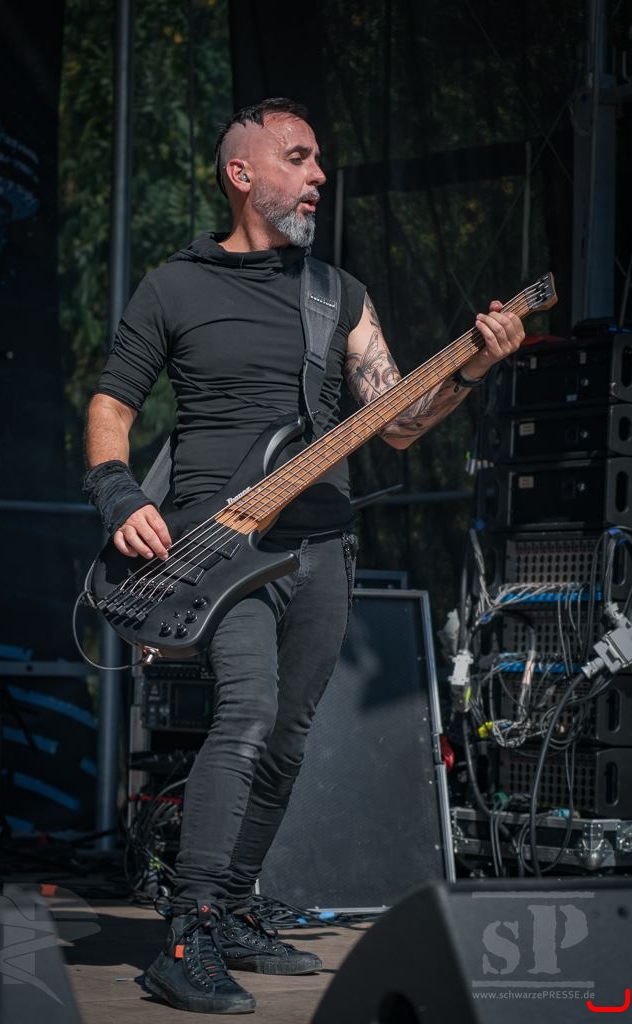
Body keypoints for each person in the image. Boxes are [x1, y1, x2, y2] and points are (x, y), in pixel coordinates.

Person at [83, 97, 525, 1014]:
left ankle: (234, 907)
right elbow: (111, 407)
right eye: (298, 157)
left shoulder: (337, 294)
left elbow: (398, 421)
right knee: (245, 712)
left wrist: (474, 364)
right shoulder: (172, 287)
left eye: (319, 159)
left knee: (287, 737)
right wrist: (120, 497)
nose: (319, 174)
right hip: (214, 545)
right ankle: (187, 933)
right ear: (242, 173)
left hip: (320, 542)